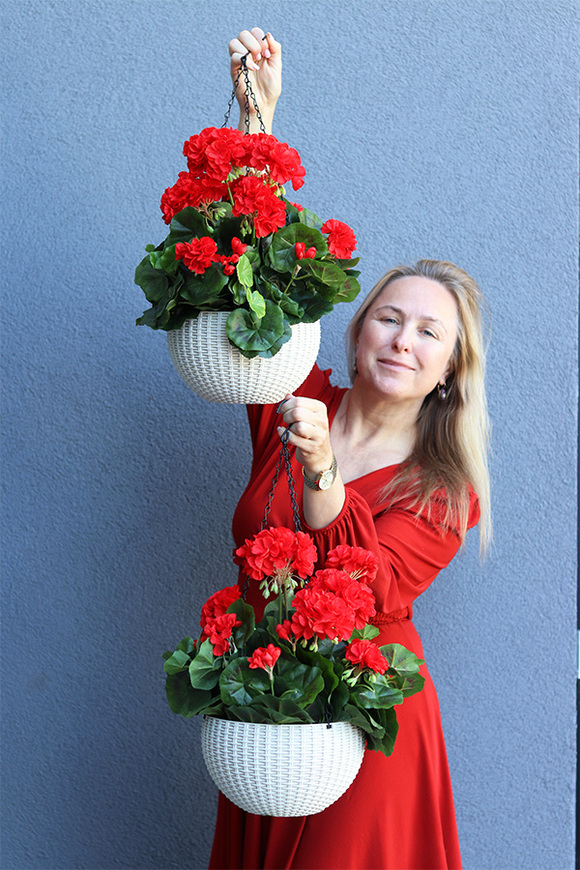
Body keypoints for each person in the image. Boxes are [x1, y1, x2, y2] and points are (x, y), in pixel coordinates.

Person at [208, 27, 491, 870]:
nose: (404, 339)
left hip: (364, 724)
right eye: (389, 318)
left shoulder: (445, 492)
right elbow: (253, 284)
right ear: (358, 331)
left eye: (430, 332)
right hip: (265, 709)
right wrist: (260, 121)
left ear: (449, 370)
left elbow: (362, 588)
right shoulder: (297, 398)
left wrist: (324, 468)